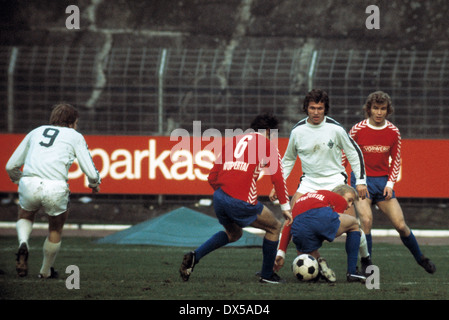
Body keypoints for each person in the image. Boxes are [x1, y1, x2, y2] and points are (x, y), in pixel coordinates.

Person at [179, 113, 293, 284]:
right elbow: (278, 178)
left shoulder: (233, 142)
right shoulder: (267, 145)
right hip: (241, 200)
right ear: (269, 131)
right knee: (275, 227)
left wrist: (225, 196)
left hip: (219, 197)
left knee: (234, 233)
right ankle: (267, 275)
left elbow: (212, 177)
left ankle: (195, 256)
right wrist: (285, 207)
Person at [269, 89, 371, 273]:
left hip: (335, 182)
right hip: (309, 182)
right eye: (312, 108)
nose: (316, 112)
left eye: (320, 108)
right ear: (306, 108)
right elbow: (289, 159)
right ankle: (308, 263)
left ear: (325, 109)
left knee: (351, 223)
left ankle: (363, 260)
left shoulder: (336, 129)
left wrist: (361, 181)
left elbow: (354, 153)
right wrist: (279, 185)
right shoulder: (298, 131)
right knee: (292, 219)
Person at [5, 103, 101, 278]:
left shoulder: (36, 132)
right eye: (76, 122)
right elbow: (90, 169)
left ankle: (23, 243)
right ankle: (45, 271)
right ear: (72, 122)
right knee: (55, 229)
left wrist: (21, 180)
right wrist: (94, 183)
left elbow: (11, 165)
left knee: (25, 215)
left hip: (30, 182)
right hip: (55, 186)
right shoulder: (74, 135)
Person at [347, 91, 436, 274]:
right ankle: (367, 264)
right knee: (366, 220)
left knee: (401, 225)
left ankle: (420, 258)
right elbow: (345, 155)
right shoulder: (357, 129)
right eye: (375, 108)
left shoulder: (393, 132)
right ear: (369, 109)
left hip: (382, 182)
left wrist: (390, 185)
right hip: (362, 181)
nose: (379, 112)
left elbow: (396, 161)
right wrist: (350, 181)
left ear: (388, 110)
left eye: (382, 109)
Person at [275, 185, 367, 283]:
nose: (349, 205)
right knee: (353, 224)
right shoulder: (337, 198)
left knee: (307, 257)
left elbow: (288, 223)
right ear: (339, 194)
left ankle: (320, 269)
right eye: (349, 200)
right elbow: (328, 225)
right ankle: (352, 272)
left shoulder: (305, 197)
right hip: (320, 219)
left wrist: (281, 253)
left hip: (299, 229)